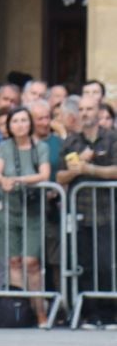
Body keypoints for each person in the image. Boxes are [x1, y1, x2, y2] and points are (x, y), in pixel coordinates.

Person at [56, 95, 117, 328]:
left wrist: (88, 168)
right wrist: (76, 170)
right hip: (80, 211)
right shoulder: (72, 142)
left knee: (106, 263)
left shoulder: (111, 138)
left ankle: (110, 313)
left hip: (107, 211)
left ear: (98, 111)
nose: (84, 113)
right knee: (84, 264)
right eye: (81, 109)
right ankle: (89, 313)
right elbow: (60, 176)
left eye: (89, 109)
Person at [0, 106, 51, 327]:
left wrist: (19, 180)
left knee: (31, 262)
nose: (20, 125)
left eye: (24, 120)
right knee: (14, 261)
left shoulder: (40, 147)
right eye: (15, 121)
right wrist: (2, 180)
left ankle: (40, 311)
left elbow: (44, 174)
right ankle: (20, 310)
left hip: (32, 211)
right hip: (10, 210)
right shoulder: (5, 147)